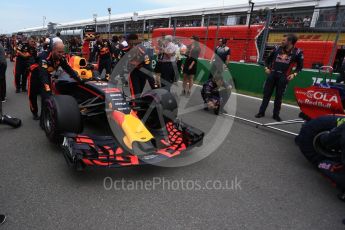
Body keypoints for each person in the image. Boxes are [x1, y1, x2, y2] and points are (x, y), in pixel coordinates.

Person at [255, 33, 304, 122]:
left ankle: (276, 114)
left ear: (290, 42)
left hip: (283, 77)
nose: (282, 41)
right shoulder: (277, 48)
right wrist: (266, 68)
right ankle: (261, 112)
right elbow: (266, 60)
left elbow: (300, 67)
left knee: (279, 97)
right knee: (266, 94)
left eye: (284, 40)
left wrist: (293, 74)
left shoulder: (298, 52)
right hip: (272, 74)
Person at [38, 41, 81, 125]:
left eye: (63, 52)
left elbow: (68, 69)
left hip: (47, 75)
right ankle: (38, 116)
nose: (61, 54)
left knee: (46, 98)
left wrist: (79, 79)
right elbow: (43, 76)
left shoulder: (60, 58)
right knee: (44, 95)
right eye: (59, 52)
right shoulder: (44, 57)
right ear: (53, 50)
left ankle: (43, 121)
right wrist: (47, 89)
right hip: (37, 76)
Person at [119, 34, 157, 98]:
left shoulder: (142, 47)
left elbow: (147, 60)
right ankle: (135, 104)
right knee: (136, 91)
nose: (127, 42)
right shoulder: (126, 49)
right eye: (127, 41)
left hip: (145, 70)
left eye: (128, 40)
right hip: (134, 72)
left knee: (143, 89)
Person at [26, 37, 40, 120]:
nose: (33, 42)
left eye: (34, 41)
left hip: (38, 71)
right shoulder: (25, 47)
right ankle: (34, 112)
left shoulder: (35, 49)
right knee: (32, 94)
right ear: (28, 41)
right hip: (30, 72)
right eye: (31, 41)